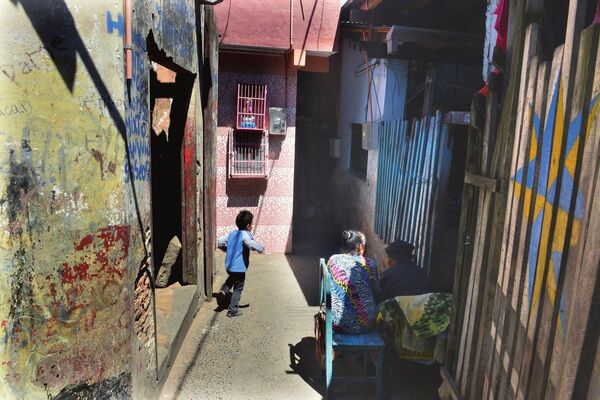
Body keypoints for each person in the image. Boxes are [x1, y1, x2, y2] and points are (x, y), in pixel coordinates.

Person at [327, 230, 379, 334]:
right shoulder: (370, 264)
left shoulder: (333, 260)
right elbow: (376, 290)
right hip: (366, 325)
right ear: (360, 246)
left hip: (337, 323)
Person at [217, 210, 265, 317]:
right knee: (238, 288)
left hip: (229, 266)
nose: (251, 227)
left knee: (232, 278)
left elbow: (218, 242)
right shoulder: (245, 235)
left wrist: (225, 249)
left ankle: (223, 291)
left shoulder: (231, 234)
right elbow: (249, 243)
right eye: (251, 224)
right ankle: (233, 310)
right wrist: (261, 248)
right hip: (239, 267)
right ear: (248, 226)